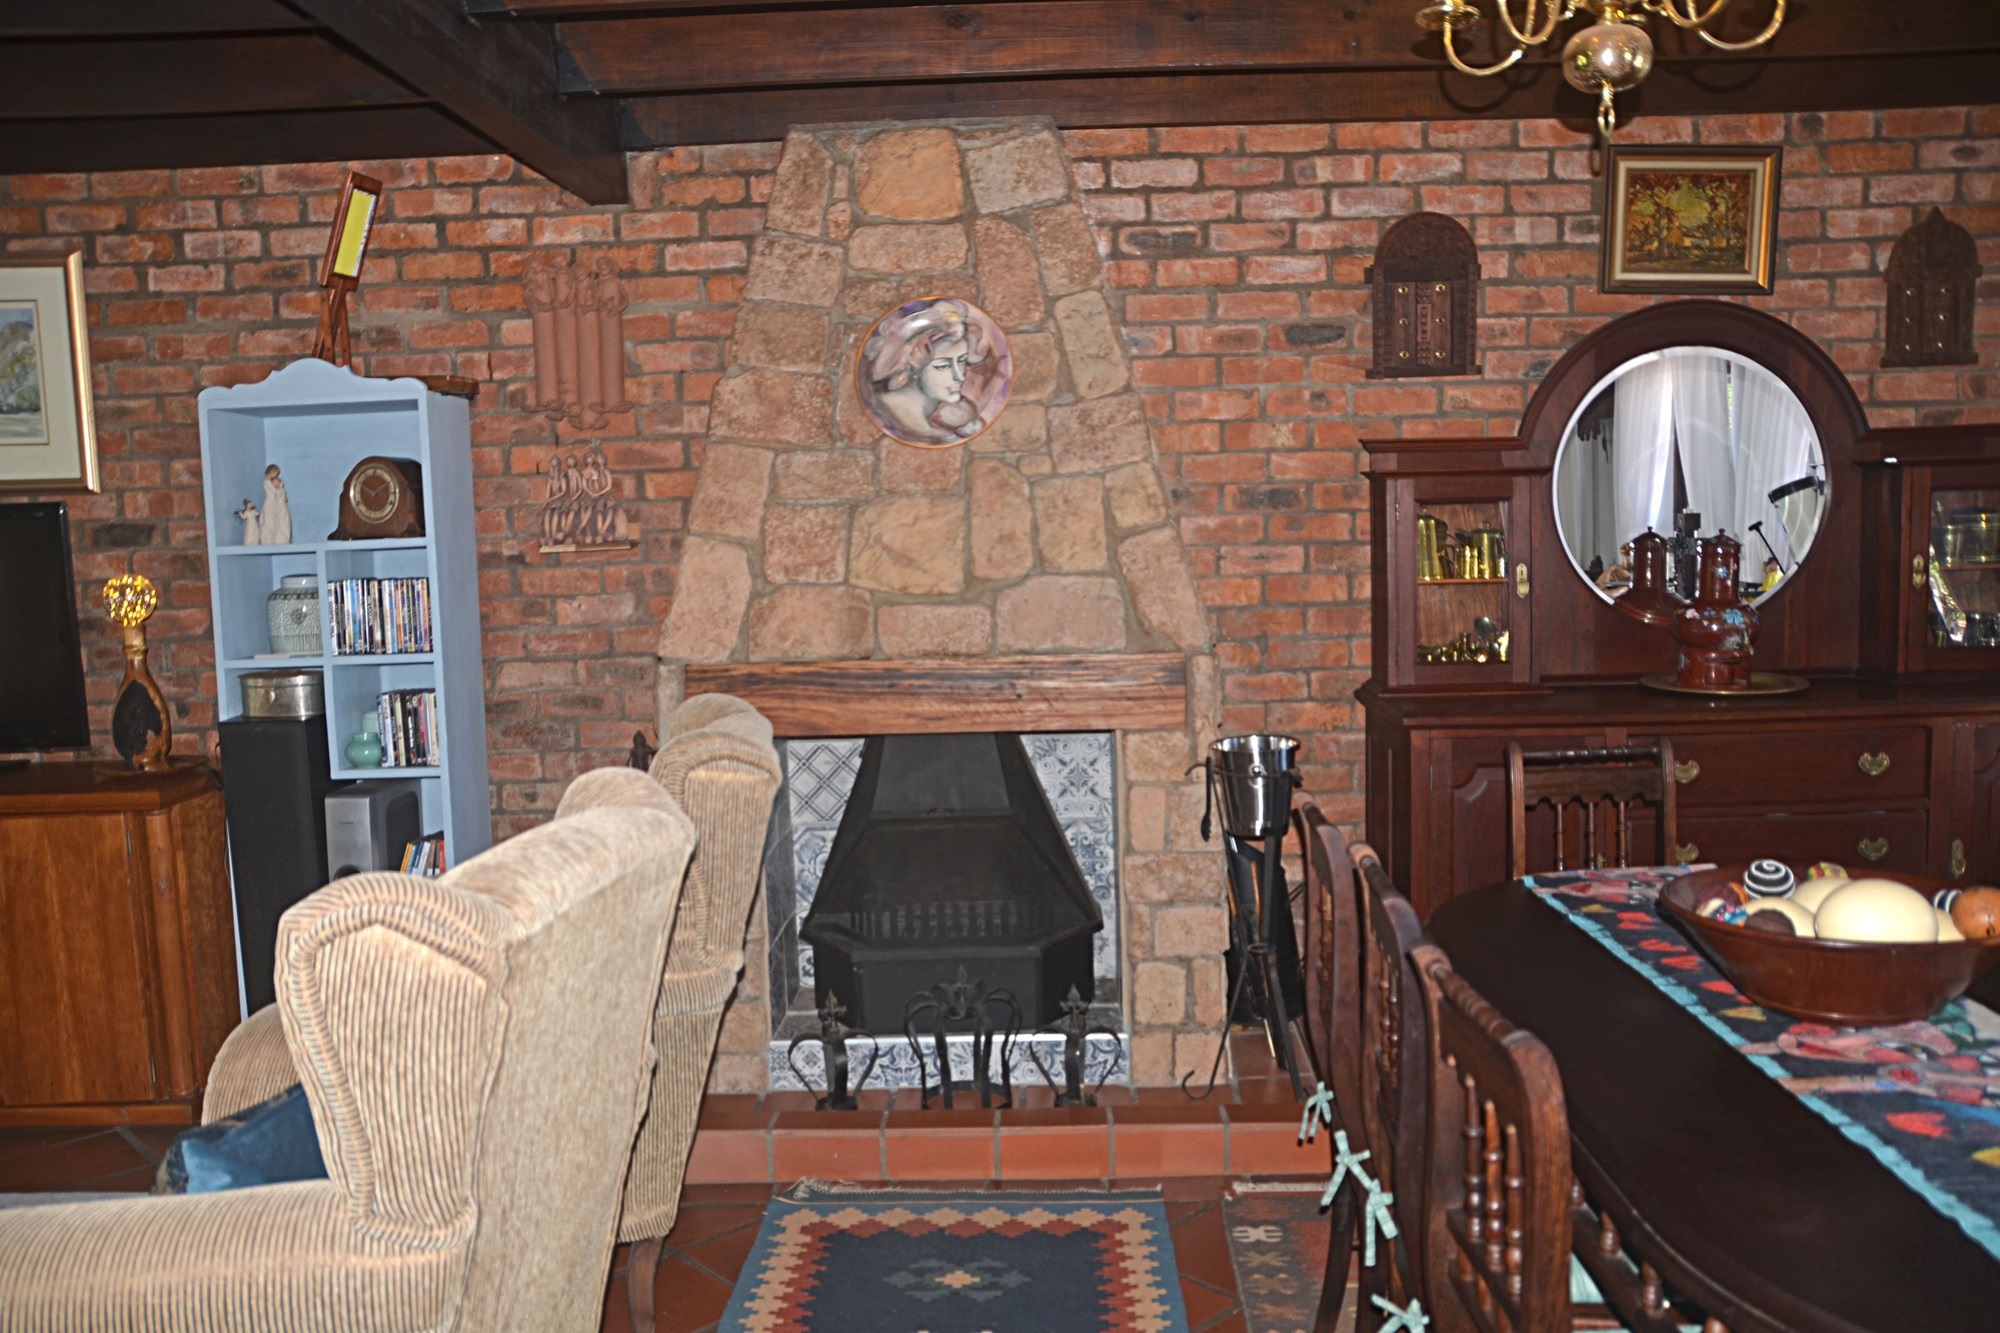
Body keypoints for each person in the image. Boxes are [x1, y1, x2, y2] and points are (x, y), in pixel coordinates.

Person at [859, 298, 1003, 446]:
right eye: (943, 366)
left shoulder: (954, 419)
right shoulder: (884, 410)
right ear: (912, 366)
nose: (959, 376)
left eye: (961, 361)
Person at [260, 464, 291, 544]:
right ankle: (267, 539)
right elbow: (275, 493)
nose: (276, 476)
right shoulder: (267, 482)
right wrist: (278, 487)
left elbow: (281, 496)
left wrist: (279, 487)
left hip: (274, 505)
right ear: (271, 472)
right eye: (275, 473)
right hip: (269, 504)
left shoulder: (272, 483)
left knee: (278, 522)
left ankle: (279, 539)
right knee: (269, 522)